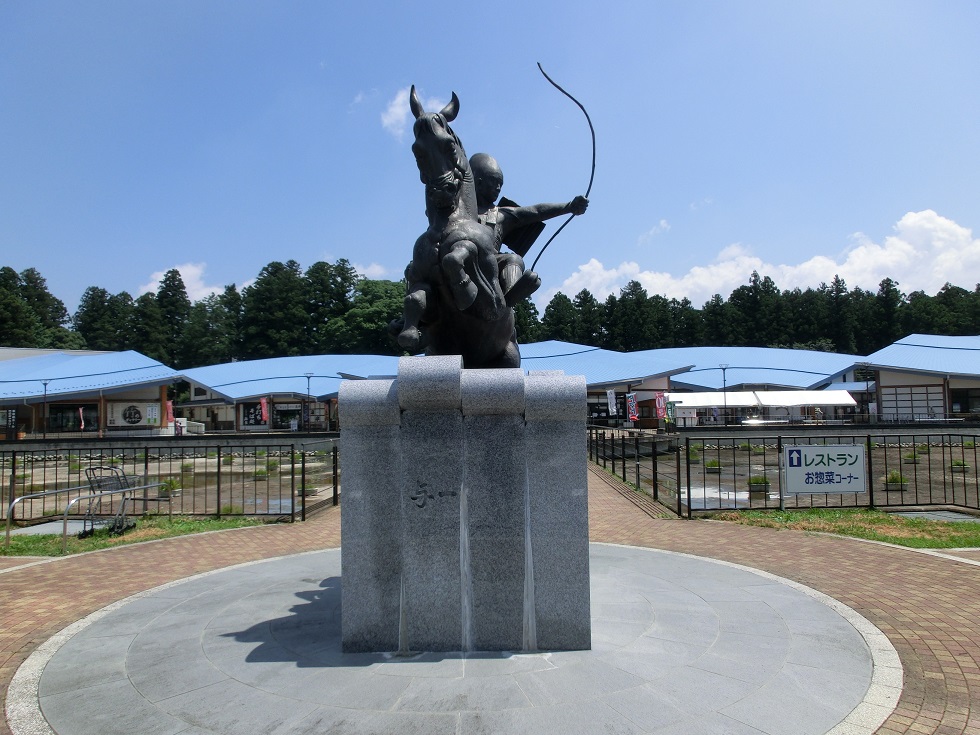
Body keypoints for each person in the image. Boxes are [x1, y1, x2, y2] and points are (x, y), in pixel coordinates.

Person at [469, 153, 589, 305]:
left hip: (490, 261)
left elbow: (536, 211)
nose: (498, 188)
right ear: (478, 182)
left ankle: (511, 293)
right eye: (494, 182)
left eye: (501, 183)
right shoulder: (458, 210)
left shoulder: (500, 215)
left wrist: (568, 206)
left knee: (514, 259)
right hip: (462, 258)